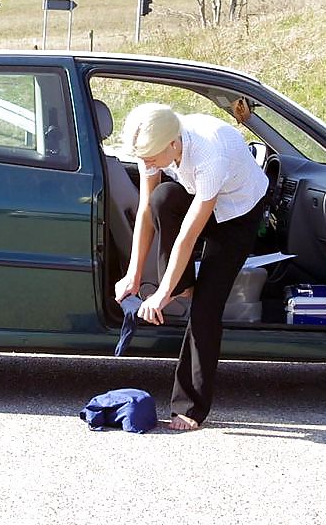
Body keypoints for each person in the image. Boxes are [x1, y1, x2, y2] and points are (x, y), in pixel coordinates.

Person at [114, 103, 268, 430]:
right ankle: (183, 283)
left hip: (238, 214)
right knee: (162, 198)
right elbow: (146, 211)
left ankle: (192, 406)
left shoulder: (209, 155)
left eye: (151, 159)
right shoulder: (154, 145)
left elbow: (188, 237)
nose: (147, 164)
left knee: (205, 310)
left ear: (173, 144)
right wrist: (133, 273)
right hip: (200, 197)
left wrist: (161, 294)